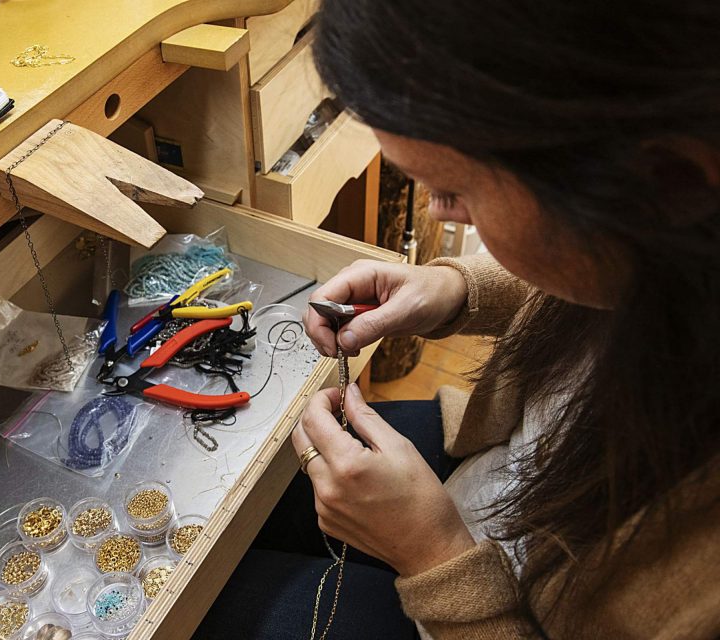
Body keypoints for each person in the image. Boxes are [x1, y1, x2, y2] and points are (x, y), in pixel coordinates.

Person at [195, 0, 719, 637]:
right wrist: (454, 289)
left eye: (457, 189)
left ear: (667, 181)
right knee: (233, 507)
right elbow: (608, 275)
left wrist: (432, 557)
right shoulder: (678, 243)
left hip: (484, 608)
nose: (442, 216)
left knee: (210, 608)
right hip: (492, 478)